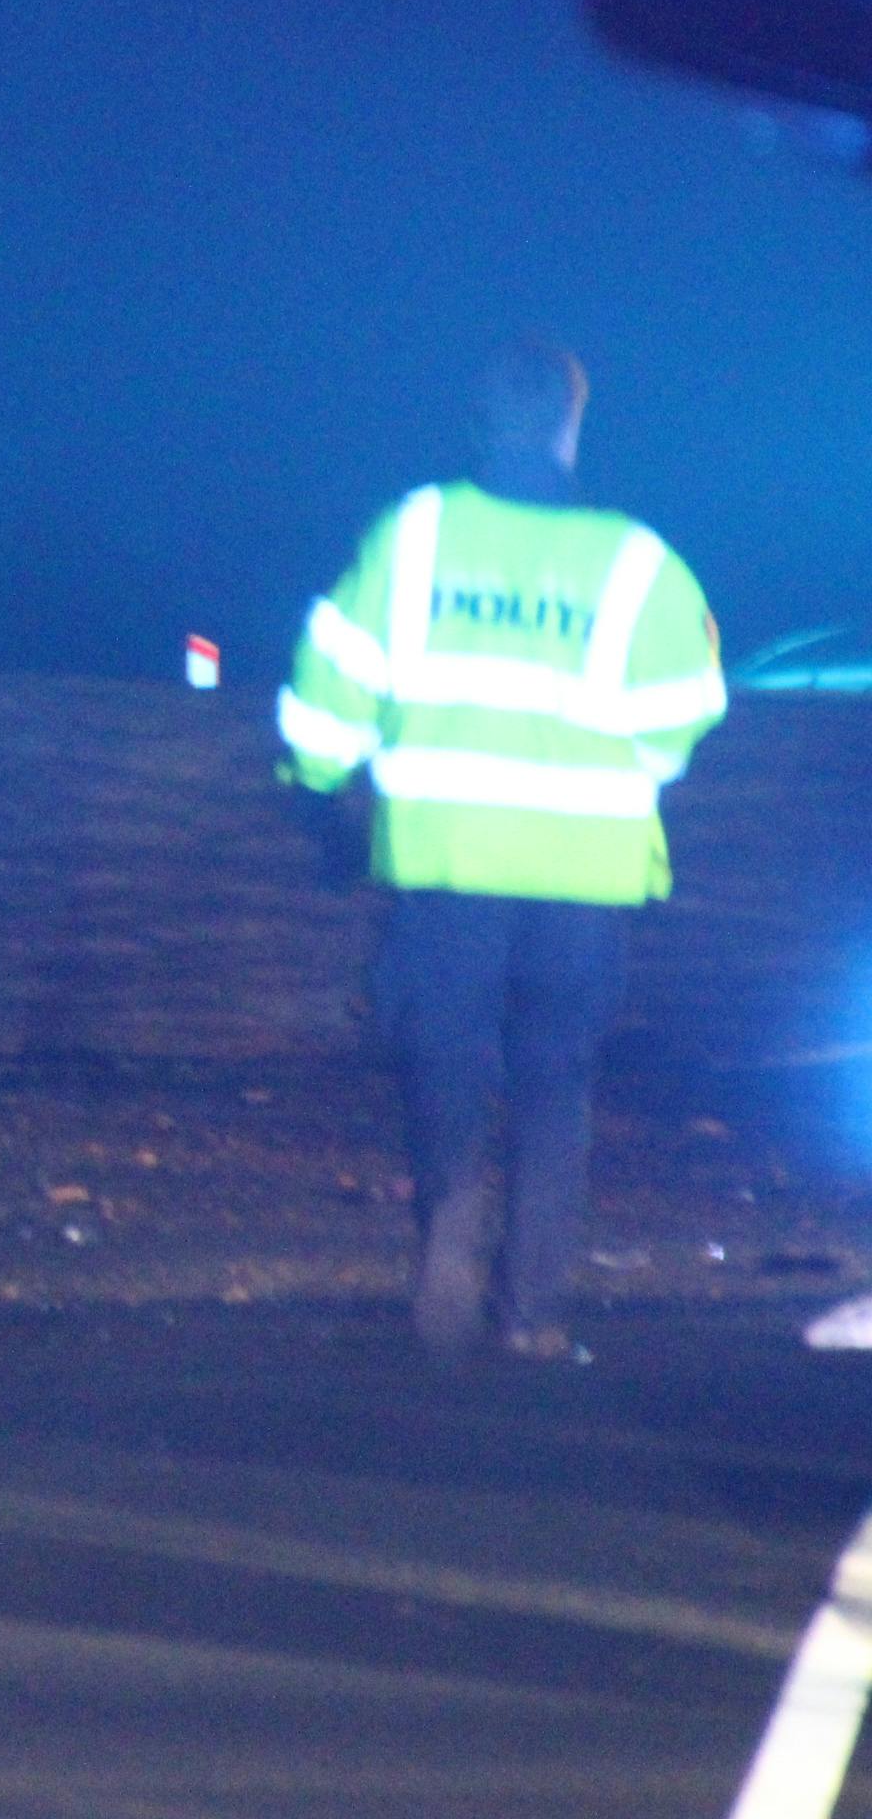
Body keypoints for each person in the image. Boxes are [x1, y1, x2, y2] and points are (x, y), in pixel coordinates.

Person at [275, 337, 726, 1359]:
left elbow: (332, 676)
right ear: (573, 421)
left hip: (448, 857)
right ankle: (532, 1309)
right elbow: (688, 710)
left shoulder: (416, 531)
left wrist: (316, 783)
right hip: (583, 872)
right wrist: (624, 770)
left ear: (480, 420)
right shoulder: (636, 559)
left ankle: (446, 1222)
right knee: (556, 1078)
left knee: (443, 1055)